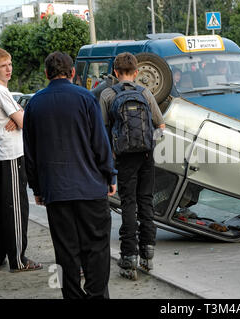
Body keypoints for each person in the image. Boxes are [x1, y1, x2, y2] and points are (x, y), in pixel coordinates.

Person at [23, 51, 117, 299]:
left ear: (46, 74)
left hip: (56, 191)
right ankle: (97, 295)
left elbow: (29, 153)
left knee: (65, 251)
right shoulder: (86, 98)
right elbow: (100, 143)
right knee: (97, 248)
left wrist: (37, 189)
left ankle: (72, 295)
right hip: (90, 188)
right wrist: (110, 176)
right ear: (73, 72)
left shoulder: (34, 104)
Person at [100, 52, 165, 280]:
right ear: (136, 72)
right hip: (147, 155)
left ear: (115, 73)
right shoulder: (145, 92)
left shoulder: (108, 94)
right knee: (146, 200)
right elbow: (160, 125)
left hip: (124, 158)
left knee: (129, 203)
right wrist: (150, 142)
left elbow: (103, 130)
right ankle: (148, 251)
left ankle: (129, 257)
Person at [0, 47, 42, 272]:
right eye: (2, 66)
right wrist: (20, 118)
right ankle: (18, 259)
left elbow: (20, 118)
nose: (8, 69)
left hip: (2, 157)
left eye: (9, 64)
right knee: (16, 210)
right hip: (11, 157)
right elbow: (26, 122)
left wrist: (18, 117)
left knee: (2, 210)